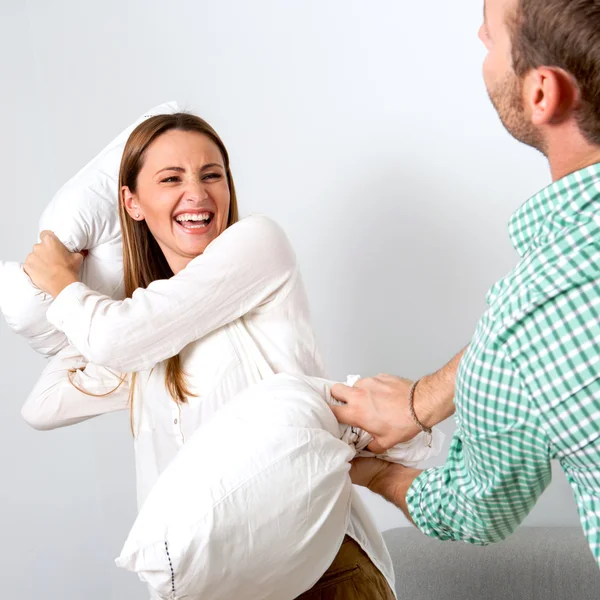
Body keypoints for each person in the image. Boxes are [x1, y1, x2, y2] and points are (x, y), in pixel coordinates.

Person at [21, 113, 396, 599]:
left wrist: (63, 284)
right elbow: (43, 404)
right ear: (131, 204)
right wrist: (104, 280)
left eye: (211, 174)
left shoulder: (260, 246)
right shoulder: (143, 340)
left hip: (316, 574)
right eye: (171, 179)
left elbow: (117, 338)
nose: (197, 193)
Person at [331, 0, 600, 567]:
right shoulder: (531, 325)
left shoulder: (528, 322)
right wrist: (420, 398)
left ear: (542, 93)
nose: (479, 33)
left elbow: (473, 510)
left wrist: (370, 471)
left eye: (494, 33)